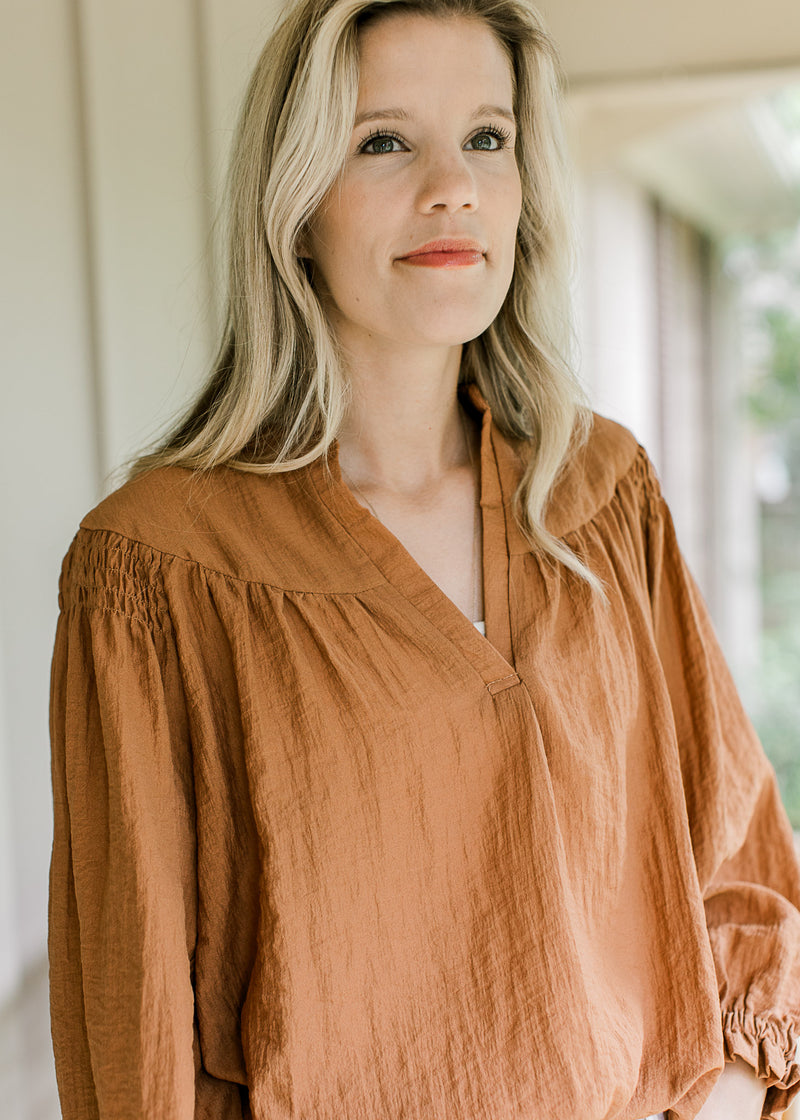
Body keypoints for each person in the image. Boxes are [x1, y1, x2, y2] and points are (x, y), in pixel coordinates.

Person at [47, 0, 800, 1117]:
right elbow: (139, 1029)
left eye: (486, 139)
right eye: (384, 140)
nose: (451, 187)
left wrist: (728, 1100)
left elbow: (735, 863)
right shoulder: (156, 572)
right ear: (294, 204)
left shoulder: (600, 491)